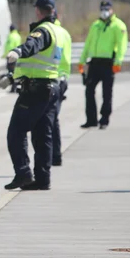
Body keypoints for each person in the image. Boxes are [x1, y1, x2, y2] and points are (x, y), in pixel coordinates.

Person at [0, 0, 66, 191]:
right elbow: (40, 62)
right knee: (42, 134)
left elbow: (32, 46)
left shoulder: (42, 30)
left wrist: (18, 51)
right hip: (51, 87)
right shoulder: (59, 31)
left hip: (36, 90)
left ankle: (23, 173)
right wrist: (13, 78)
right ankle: (43, 179)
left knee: (16, 132)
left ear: (38, 10)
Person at [78, 0, 128, 129]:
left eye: (107, 9)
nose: (104, 11)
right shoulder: (95, 25)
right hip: (94, 62)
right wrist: (82, 60)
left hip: (108, 63)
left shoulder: (118, 26)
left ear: (112, 9)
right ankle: (91, 119)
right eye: (102, 9)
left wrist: (118, 61)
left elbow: (122, 45)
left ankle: (104, 119)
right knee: (89, 90)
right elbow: (88, 43)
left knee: (107, 93)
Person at [52, 13, 72, 166]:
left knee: (51, 119)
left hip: (55, 78)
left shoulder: (54, 32)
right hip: (61, 78)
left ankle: (55, 155)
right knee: (52, 118)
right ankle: (55, 156)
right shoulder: (63, 32)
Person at [3, 24, 23, 93]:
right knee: (14, 72)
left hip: (11, 56)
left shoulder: (11, 36)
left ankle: (13, 87)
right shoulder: (18, 36)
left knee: (11, 72)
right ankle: (14, 86)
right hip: (16, 56)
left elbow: (10, 47)